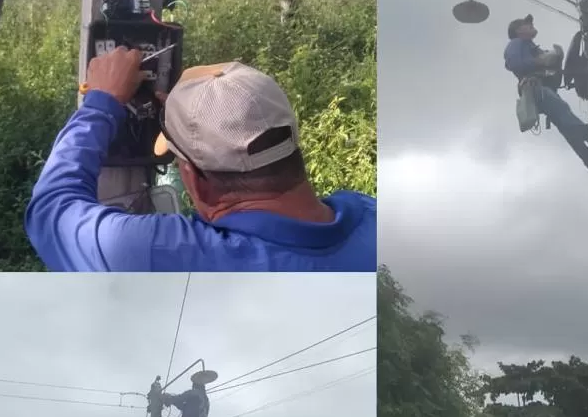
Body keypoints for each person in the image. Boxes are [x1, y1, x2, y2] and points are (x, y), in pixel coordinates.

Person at [25, 48, 375, 271]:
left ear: (195, 181)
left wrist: (102, 102)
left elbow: (50, 210)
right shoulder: (374, 219)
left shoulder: (171, 255)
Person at [503, 14, 588, 174]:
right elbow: (514, 63)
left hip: (544, 90)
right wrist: (541, 61)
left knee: (567, 127)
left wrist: (556, 61)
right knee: (563, 111)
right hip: (535, 89)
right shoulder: (516, 44)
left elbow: (553, 78)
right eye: (526, 24)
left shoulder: (531, 47)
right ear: (518, 31)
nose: (531, 25)